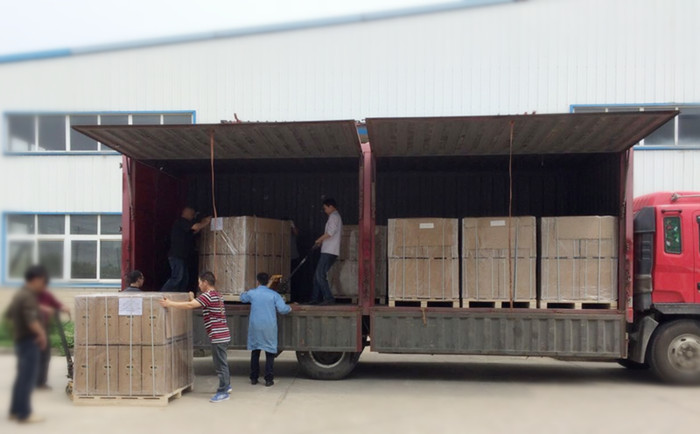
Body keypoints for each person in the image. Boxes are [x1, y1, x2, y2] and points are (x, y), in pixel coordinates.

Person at [160, 271, 231, 403]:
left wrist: (170, 304)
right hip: (223, 334)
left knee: (220, 365)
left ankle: (223, 391)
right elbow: (196, 303)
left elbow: (191, 305)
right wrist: (192, 298)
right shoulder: (217, 295)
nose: (199, 285)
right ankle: (226, 386)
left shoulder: (208, 296)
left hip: (218, 336)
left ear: (205, 282)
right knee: (222, 363)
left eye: (199, 283)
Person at [5, 265, 49, 424]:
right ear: (36, 279)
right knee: (27, 379)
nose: (43, 286)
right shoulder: (28, 296)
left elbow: (9, 314)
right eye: (43, 282)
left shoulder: (20, 294)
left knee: (21, 377)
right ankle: (24, 414)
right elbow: (31, 320)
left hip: (21, 340)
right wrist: (41, 335)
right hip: (30, 341)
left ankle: (14, 410)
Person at [240, 272, 292, 387]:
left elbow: (242, 298)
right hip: (269, 326)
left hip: (255, 326)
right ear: (269, 281)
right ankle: (268, 379)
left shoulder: (252, 293)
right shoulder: (274, 295)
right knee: (269, 353)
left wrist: (244, 292)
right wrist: (290, 308)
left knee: (255, 352)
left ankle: (254, 378)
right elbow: (283, 309)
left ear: (257, 281)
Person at [161, 207, 211, 292]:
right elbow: (196, 227)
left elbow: (195, 230)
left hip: (182, 256)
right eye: (192, 214)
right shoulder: (182, 222)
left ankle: (181, 295)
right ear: (186, 213)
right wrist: (206, 222)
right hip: (176, 255)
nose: (193, 216)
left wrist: (201, 224)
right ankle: (162, 293)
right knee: (177, 277)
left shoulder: (185, 226)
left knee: (184, 279)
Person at [35, 289, 70, 391]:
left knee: (45, 356)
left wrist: (63, 307)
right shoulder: (27, 294)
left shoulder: (46, 294)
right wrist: (44, 308)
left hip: (43, 328)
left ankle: (40, 382)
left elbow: (56, 304)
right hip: (30, 329)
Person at [310, 198, 342, 305]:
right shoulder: (334, 217)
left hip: (329, 251)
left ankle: (329, 298)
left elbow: (330, 233)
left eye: (325, 208)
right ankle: (315, 298)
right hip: (328, 250)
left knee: (320, 274)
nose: (324, 211)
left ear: (331, 206)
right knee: (317, 275)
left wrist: (318, 240)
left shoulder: (334, 217)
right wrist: (321, 242)